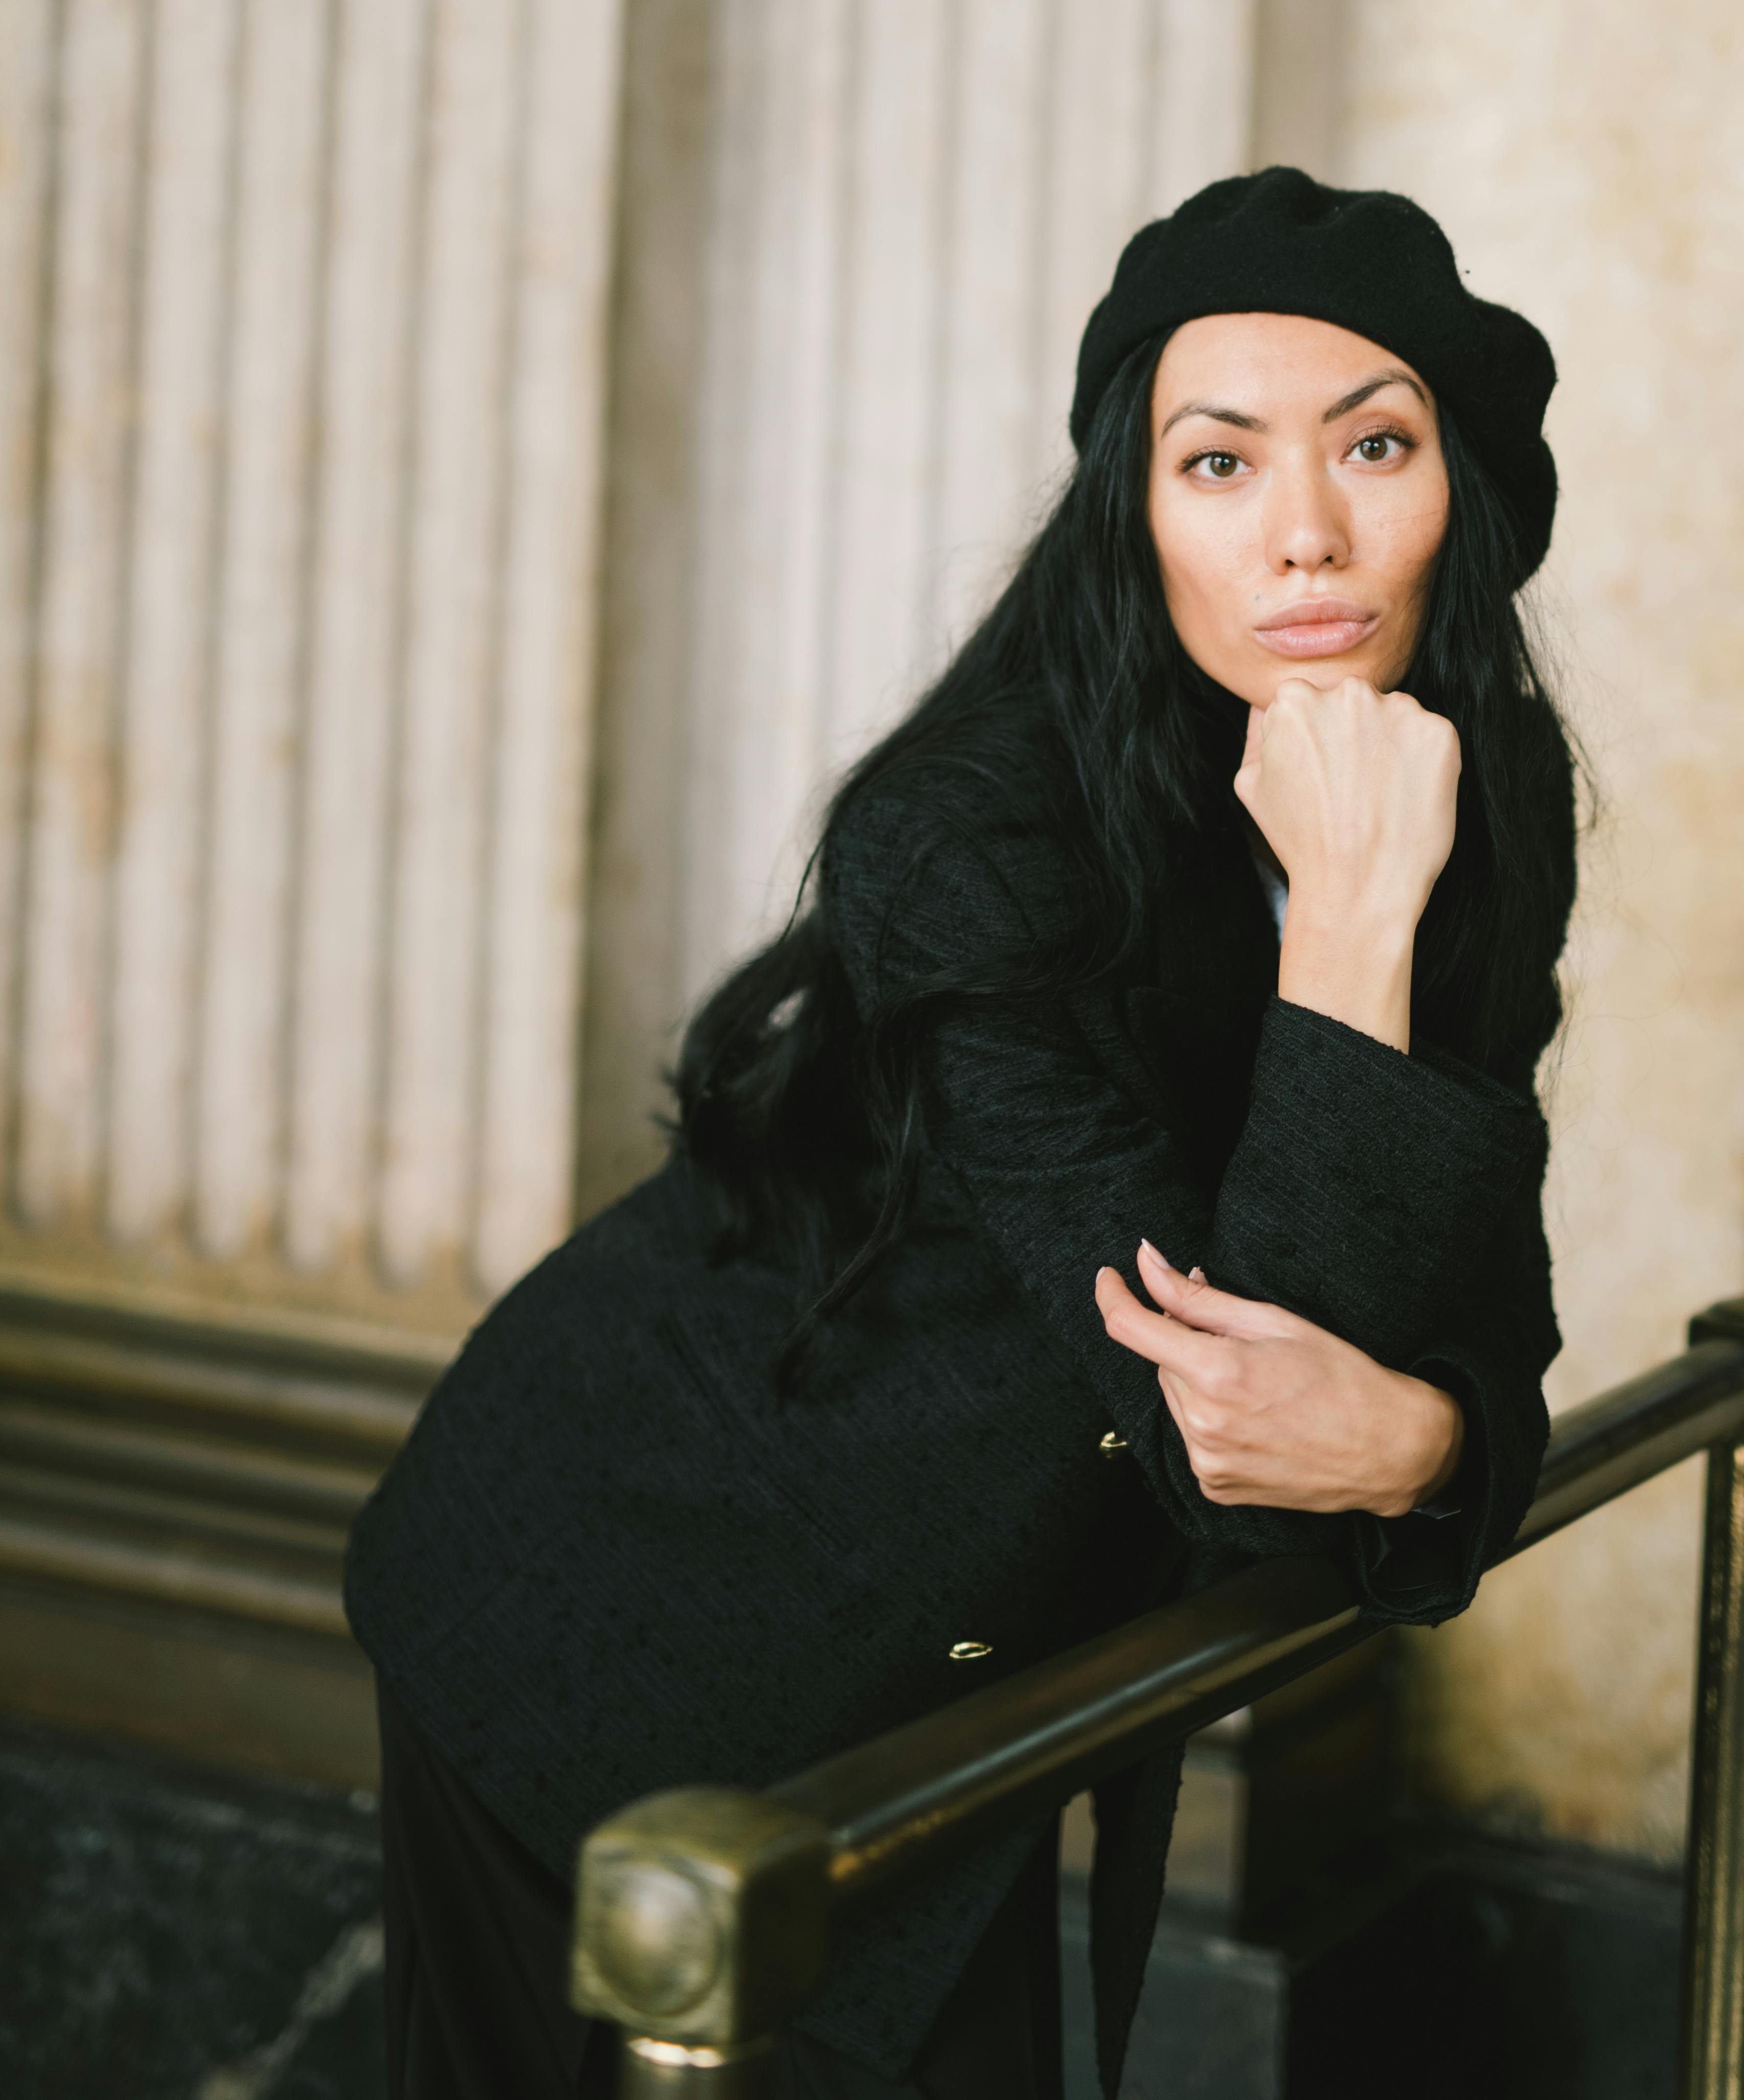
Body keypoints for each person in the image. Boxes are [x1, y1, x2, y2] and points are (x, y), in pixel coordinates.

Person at [345, 169, 1579, 2100]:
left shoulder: (1481, 801)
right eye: (1220, 463)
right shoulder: (977, 832)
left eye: (1378, 444)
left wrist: (1424, 1445)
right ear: (1136, 512)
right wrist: (1348, 929)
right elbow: (1240, 1440)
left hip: (971, 1662)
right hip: (623, 1577)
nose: (1309, 536)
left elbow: (1472, 1317)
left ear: (1463, 491)